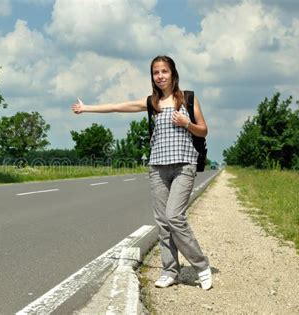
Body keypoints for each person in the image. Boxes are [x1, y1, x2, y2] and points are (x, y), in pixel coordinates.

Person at [71, 55, 212, 290]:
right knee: (162, 221)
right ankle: (170, 271)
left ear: (173, 73)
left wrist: (186, 123)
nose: (160, 76)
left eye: (164, 71)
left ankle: (201, 266)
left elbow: (203, 131)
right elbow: (119, 106)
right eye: (156, 72)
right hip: (157, 167)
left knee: (174, 217)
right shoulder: (152, 103)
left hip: (184, 165)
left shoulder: (188, 98)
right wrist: (87, 108)